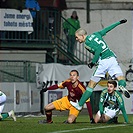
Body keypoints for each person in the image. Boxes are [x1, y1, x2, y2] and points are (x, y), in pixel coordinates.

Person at [70, 19, 130, 111]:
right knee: (120, 78)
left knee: (91, 85)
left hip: (104, 61)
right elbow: (107, 29)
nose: (76, 39)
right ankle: (122, 86)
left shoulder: (87, 43)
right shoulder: (96, 34)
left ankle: (80, 104)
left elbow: (98, 50)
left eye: (77, 37)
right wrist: (119, 22)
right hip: (112, 58)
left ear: (82, 36)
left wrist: (93, 62)